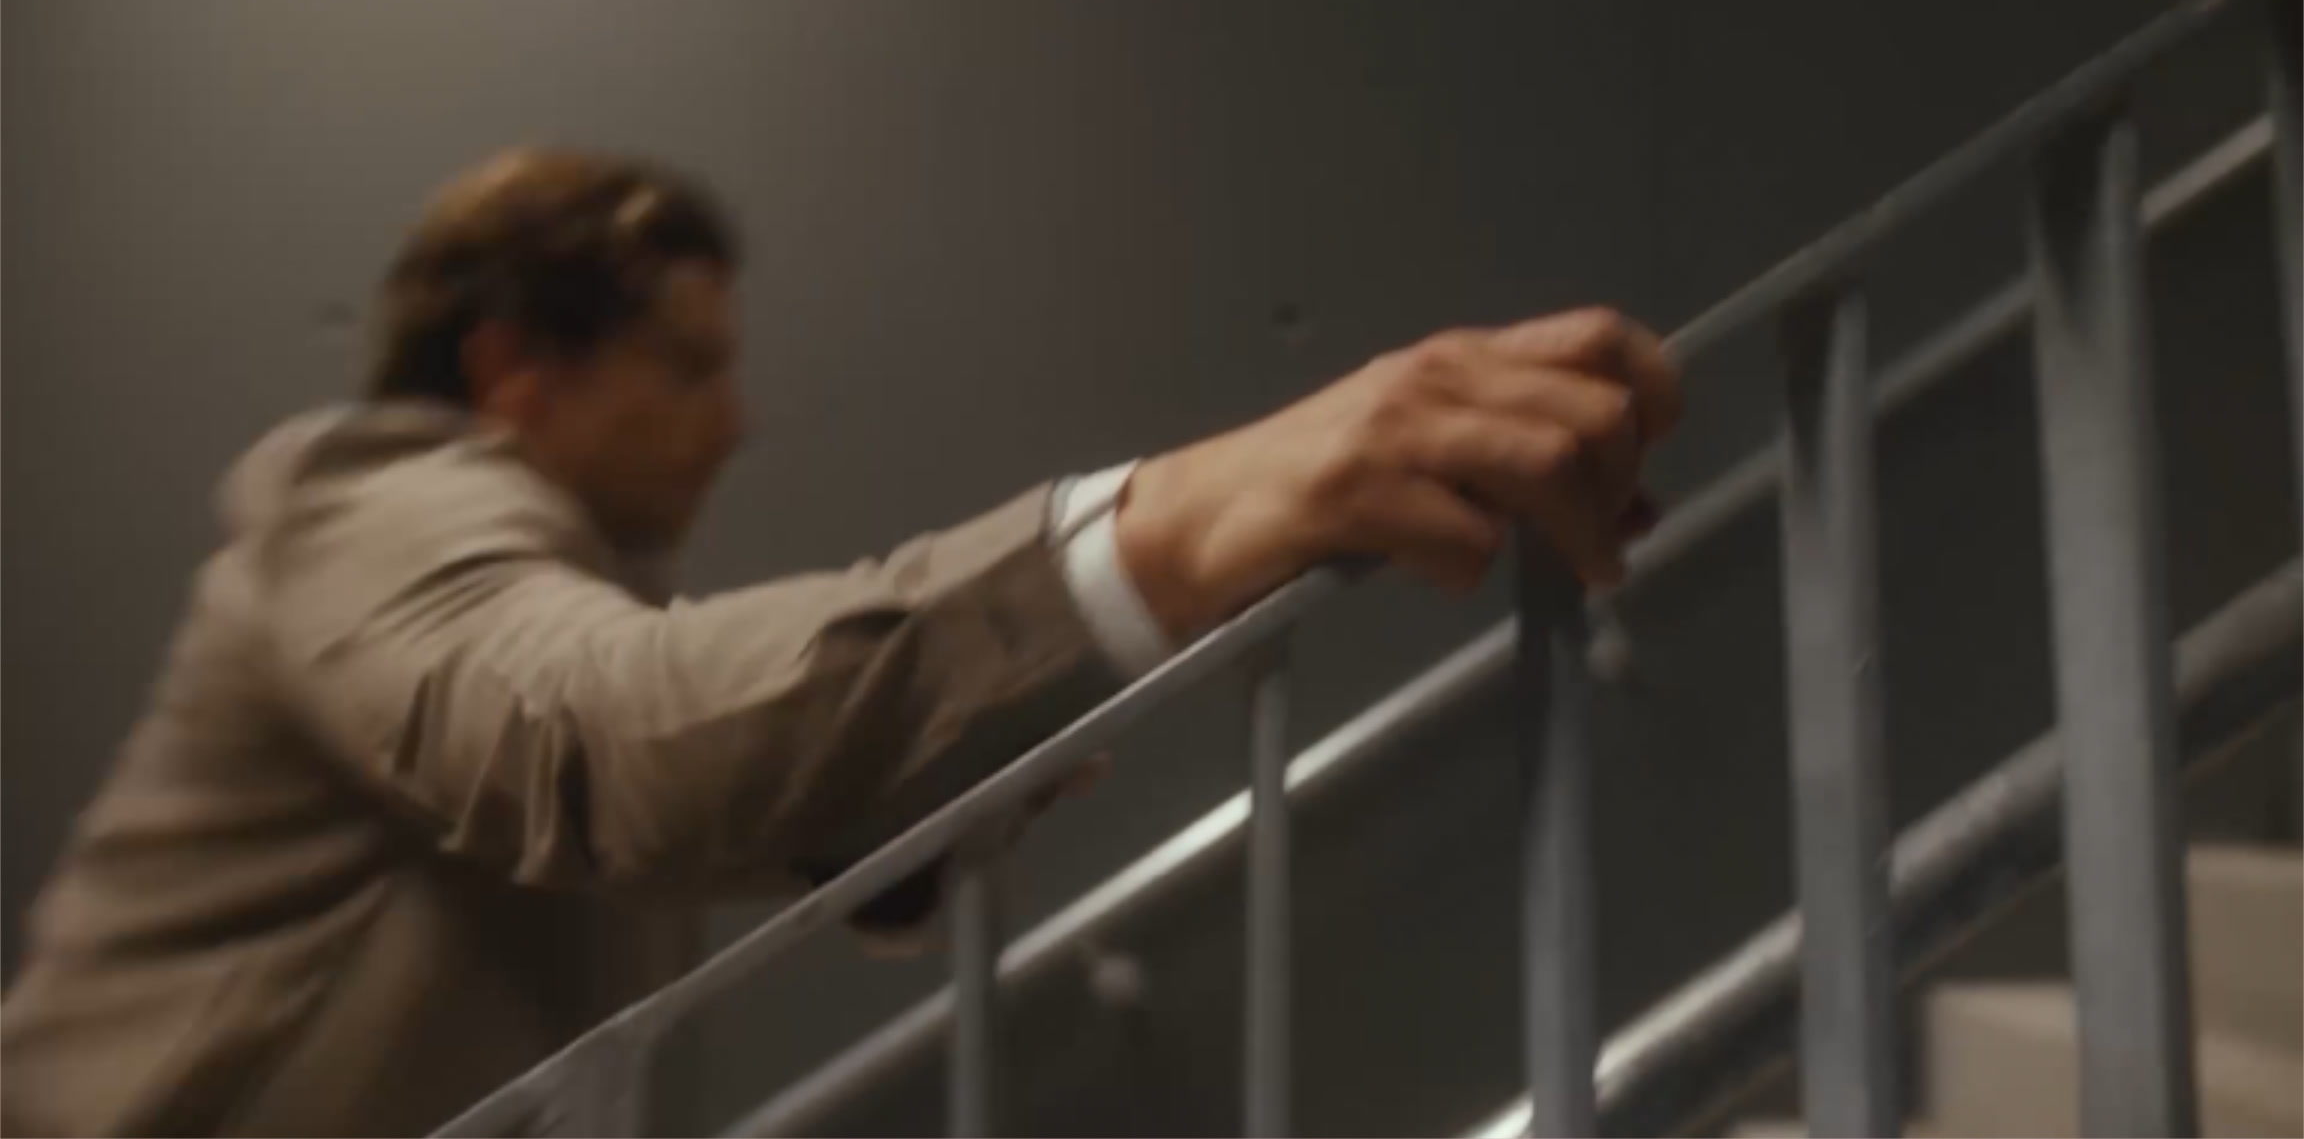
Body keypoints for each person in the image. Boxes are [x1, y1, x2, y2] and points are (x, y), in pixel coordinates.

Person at [0, 148, 1680, 1137]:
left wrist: (909, 810)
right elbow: (599, 740)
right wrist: (1178, 518)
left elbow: (666, 799)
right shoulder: (373, 497)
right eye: (687, 365)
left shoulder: (513, 573)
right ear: (513, 370)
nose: (734, 422)